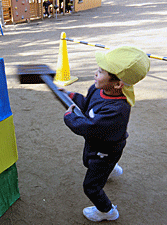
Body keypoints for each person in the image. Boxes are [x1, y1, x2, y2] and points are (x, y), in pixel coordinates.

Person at [61, 46, 150, 222]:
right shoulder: (97, 89)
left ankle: (107, 211)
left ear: (118, 84)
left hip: (107, 150)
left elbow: (88, 126)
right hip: (97, 143)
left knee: (91, 186)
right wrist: (71, 96)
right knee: (87, 161)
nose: (96, 73)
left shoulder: (117, 110)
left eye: (101, 72)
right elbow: (87, 106)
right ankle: (109, 169)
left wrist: (69, 117)